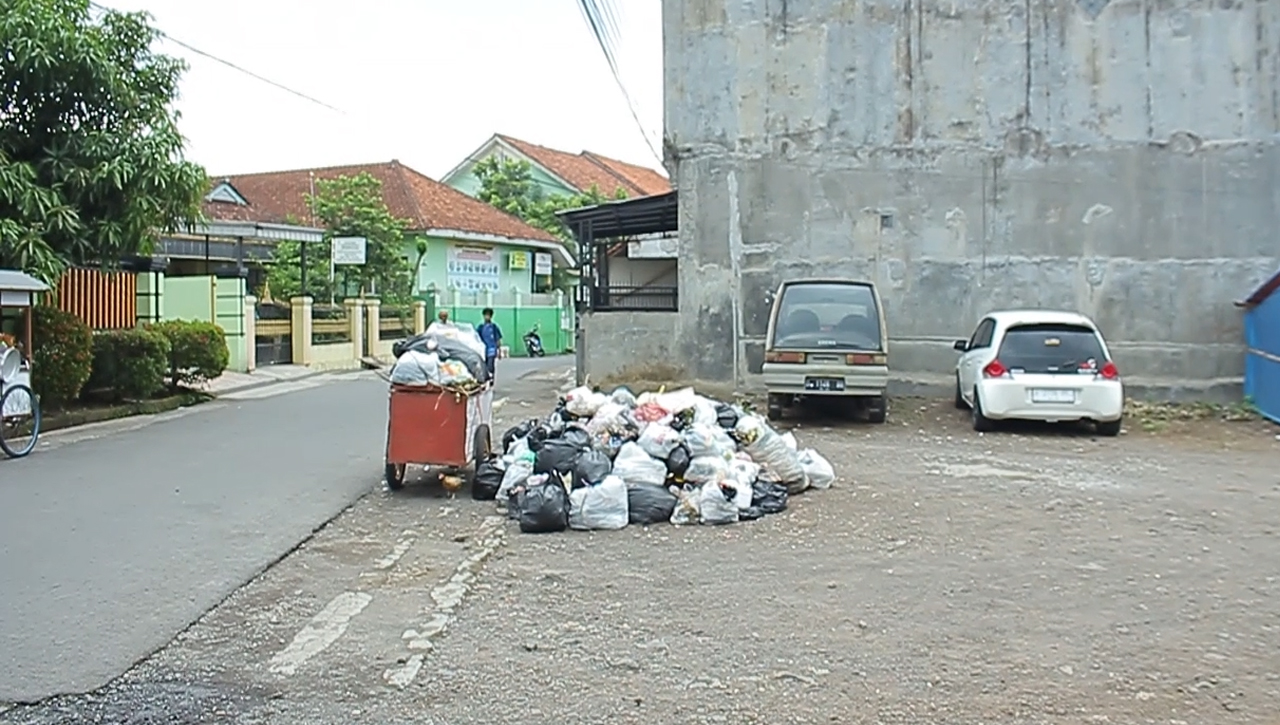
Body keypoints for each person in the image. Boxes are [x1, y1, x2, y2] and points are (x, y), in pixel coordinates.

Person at [477, 307, 503, 381]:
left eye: (488, 315)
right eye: (486, 315)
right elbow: (476, 338)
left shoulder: (494, 327)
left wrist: (499, 351)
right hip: (483, 350)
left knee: (490, 365)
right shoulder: (480, 327)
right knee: (483, 366)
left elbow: (498, 339)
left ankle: (491, 379)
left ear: (491, 316)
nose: (487, 317)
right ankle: (486, 379)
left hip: (492, 350)